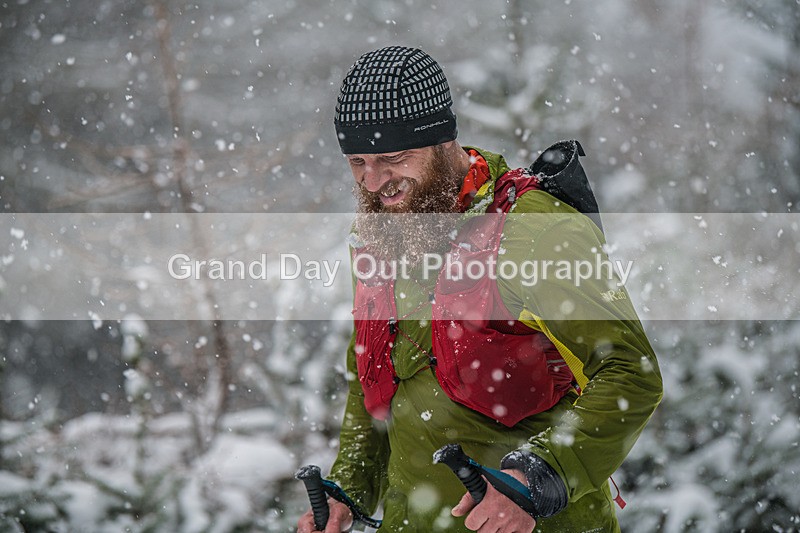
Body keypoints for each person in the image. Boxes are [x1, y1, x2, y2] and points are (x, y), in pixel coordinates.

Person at [297, 46, 663, 533]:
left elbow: (629, 375)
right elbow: (375, 371)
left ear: (444, 141)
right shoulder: (382, 231)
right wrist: (350, 485)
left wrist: (536, 479)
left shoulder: (533, 230)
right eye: (358, 161)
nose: (374, 181)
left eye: (393, 158)